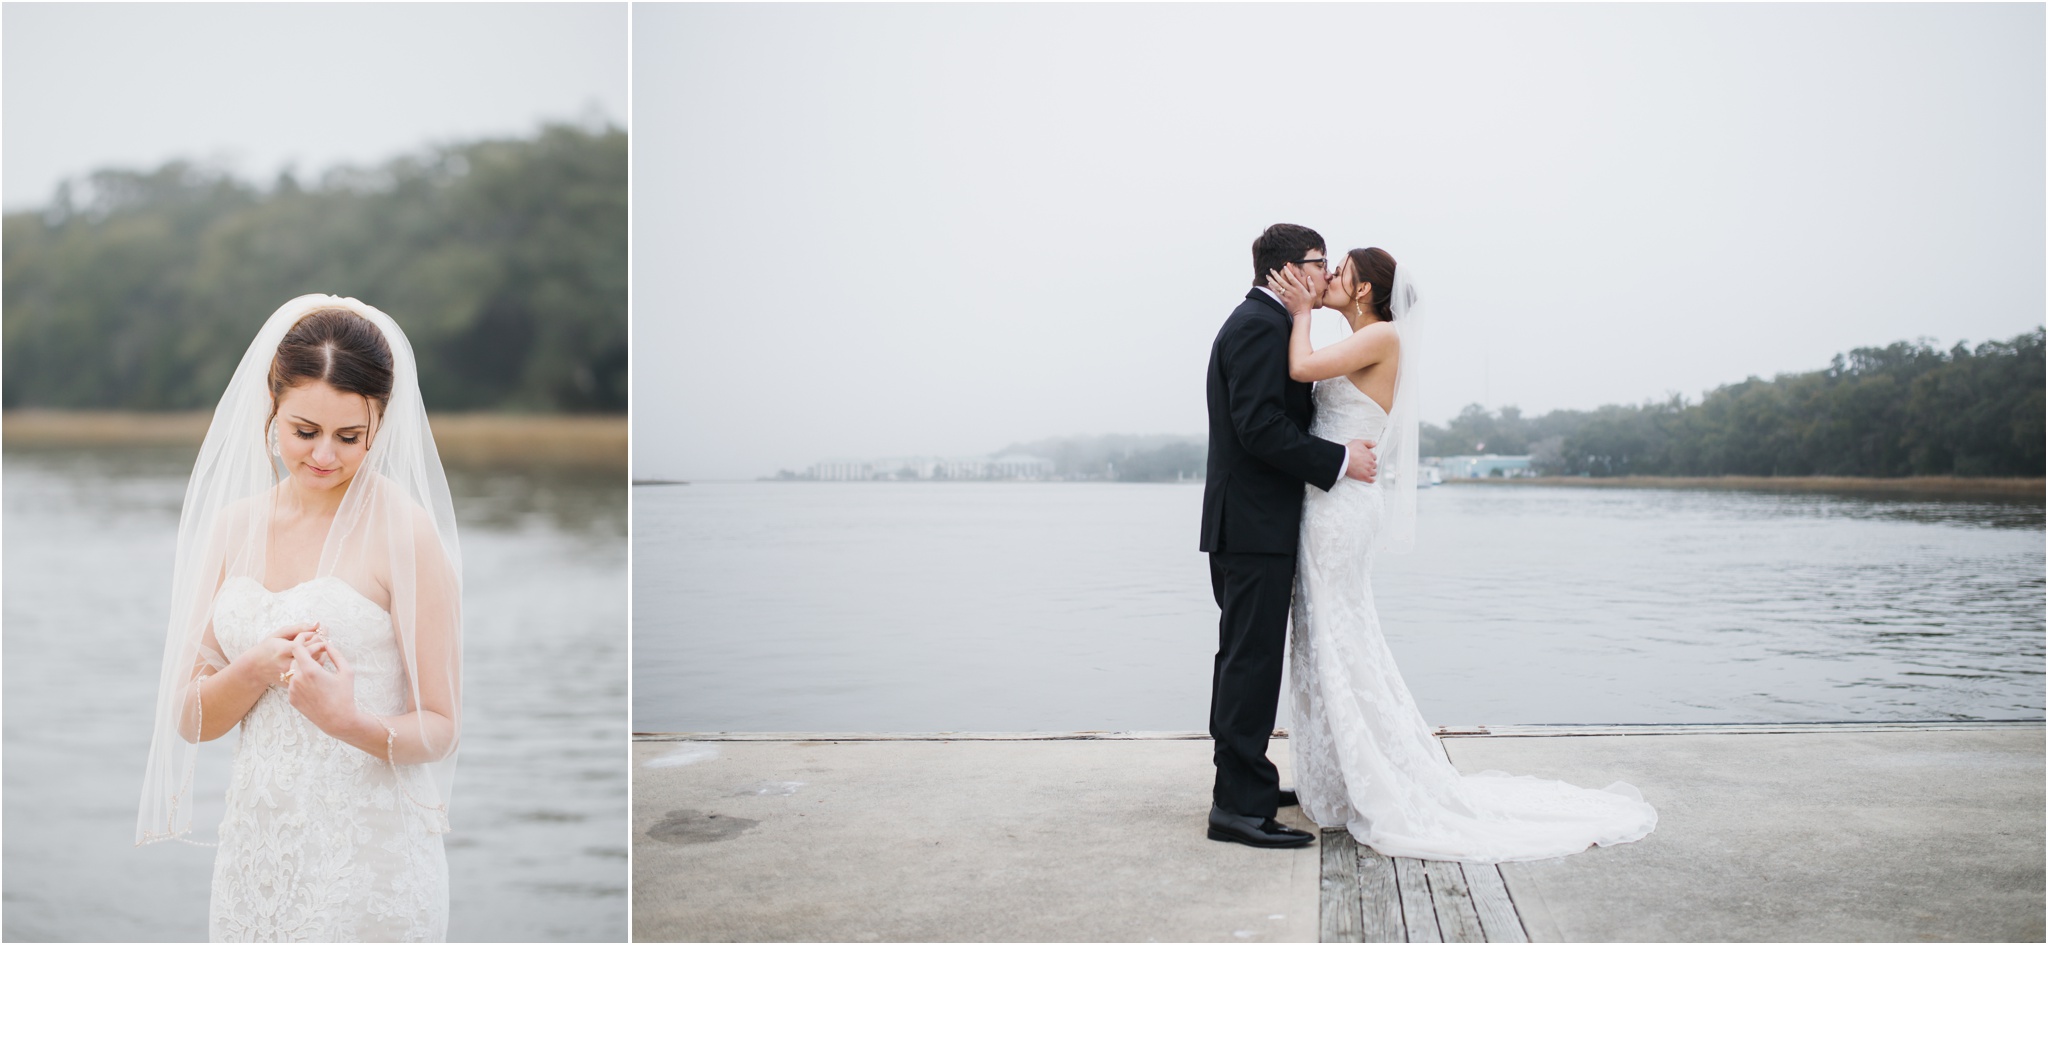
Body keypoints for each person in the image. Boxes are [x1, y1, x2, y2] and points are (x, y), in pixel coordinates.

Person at [1266, 249, 1658, 862]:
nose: (1329, 279)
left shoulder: (1382, 335)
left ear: (1364, 288)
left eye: (1339, 271)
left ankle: (1373, 777)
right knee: (1327, 637)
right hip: (1332, 498)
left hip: (1341, 509)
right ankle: (1342, 776)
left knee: (1341, 637)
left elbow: (1300, 368)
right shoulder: (1370, 335)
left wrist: (1297, 312)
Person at [136, 295, 464, 940]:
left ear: (380, 426)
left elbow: (442, 728)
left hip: (367, 861)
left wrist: (346, 720)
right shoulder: (233, 530)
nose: (323, 456)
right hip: (256, 855)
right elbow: (188, 717)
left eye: (350, 437)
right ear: (272, 410)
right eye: (303, 431)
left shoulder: (406, 533)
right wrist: (254, 668)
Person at [1199, 223, 1378, 848]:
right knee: (1249, 661)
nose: (1327, 273)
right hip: (1249, 524)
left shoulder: (1273, 324)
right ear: (1288, 269)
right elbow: (1258, 428)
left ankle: (1246, 781)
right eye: (1319, 262)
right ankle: (1236, 809)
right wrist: (1336, 460)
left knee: (1250, 659)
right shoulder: (1256, 326)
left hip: (1260, 522)